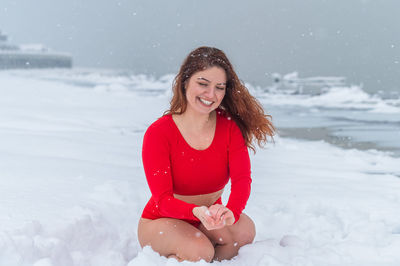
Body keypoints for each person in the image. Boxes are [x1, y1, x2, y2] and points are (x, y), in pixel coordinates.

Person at [137, 46, 275, 262]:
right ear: (185, 82)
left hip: (207, 218)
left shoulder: (229, 128)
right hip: (162, 220)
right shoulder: (159, 133)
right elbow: (163, 200)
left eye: (219, 87)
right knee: (200, 251)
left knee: (244, 231)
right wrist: (195, 212)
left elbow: (242, 180)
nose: (211, 95)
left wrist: (232, 211)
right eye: (202, 84)